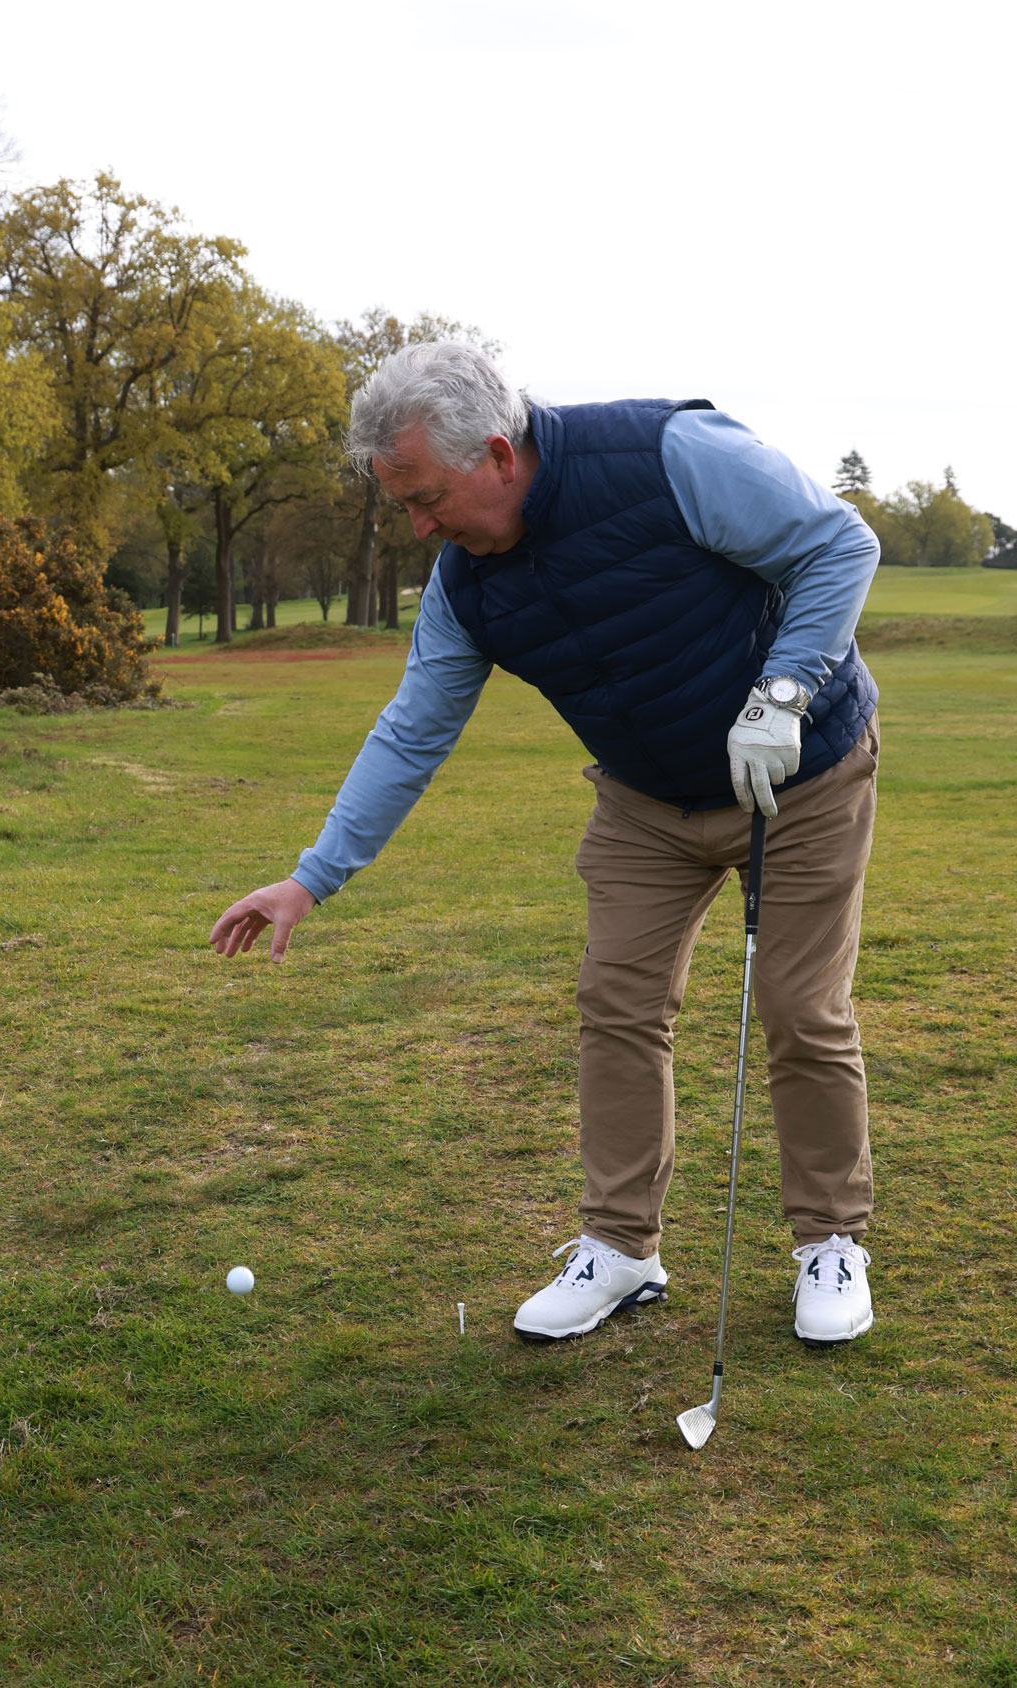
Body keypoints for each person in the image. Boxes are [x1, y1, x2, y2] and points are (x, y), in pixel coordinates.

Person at [207, 342, 884, 1346]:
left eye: (429, 498)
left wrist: (784, 690)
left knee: (799, 1005)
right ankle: (621, 1247)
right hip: (646, 803)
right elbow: (412, 728)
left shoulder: (670, 453)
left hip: (802, 777)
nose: (421, 526)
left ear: (497, 451)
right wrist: (312, 878)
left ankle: (831, 1239)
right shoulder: (466, 582)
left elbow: (838, 545)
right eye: (404, 505)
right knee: (618, 1003)